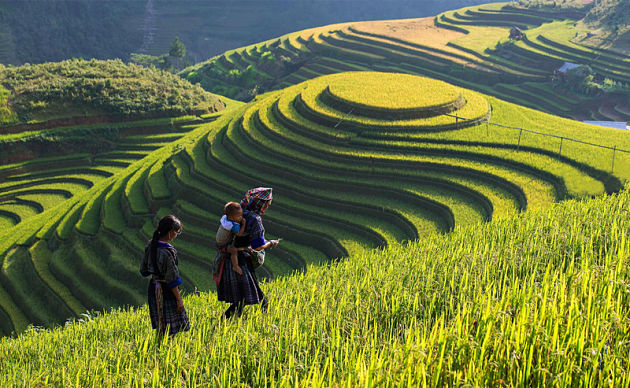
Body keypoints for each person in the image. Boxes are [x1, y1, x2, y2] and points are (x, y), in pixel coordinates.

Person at [216, 187, 280, 319]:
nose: (267, 207)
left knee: (249, 293)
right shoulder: (255, 219)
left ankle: (263, 316)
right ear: (261, 204)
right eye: (267, 204)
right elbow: (258, 246)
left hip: (228, 258)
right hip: (241, 260)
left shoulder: (239, 212)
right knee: (245, 296)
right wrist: (271, 243)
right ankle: (224, 321)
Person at [140, 215, 190, 337]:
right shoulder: (167, 252)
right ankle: (166, 351)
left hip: (153, 288)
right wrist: (179, 300)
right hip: (166, 291)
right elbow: (172, 279)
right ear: (170, 232)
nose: (176, 235)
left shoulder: (150, 246)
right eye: (176, 232)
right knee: (171, 329)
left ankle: (160, 348)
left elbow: (144, 271)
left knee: (161, 325)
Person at [213, 202, 247, 283]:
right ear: (231, 217)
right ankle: (235, 266)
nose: (241, 217)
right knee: (234, 251)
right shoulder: (233, 225)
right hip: (223, 244)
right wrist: (244, 225)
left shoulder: (225, 219)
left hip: (218, 241)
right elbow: (239, 234)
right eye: (239, 216)